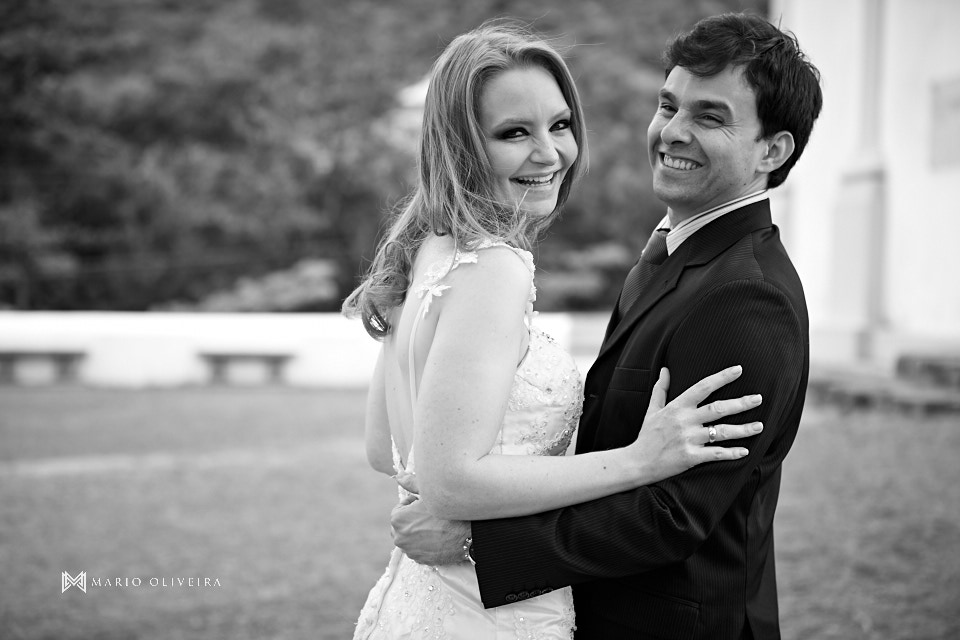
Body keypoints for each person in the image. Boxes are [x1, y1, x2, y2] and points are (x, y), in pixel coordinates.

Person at [389, 13, 823, 640]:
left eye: (709, 117)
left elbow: (675, 513)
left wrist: (477, 542)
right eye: (668, 105)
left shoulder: (748, 296)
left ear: (772, 150)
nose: (672, 132)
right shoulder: (667, 257)